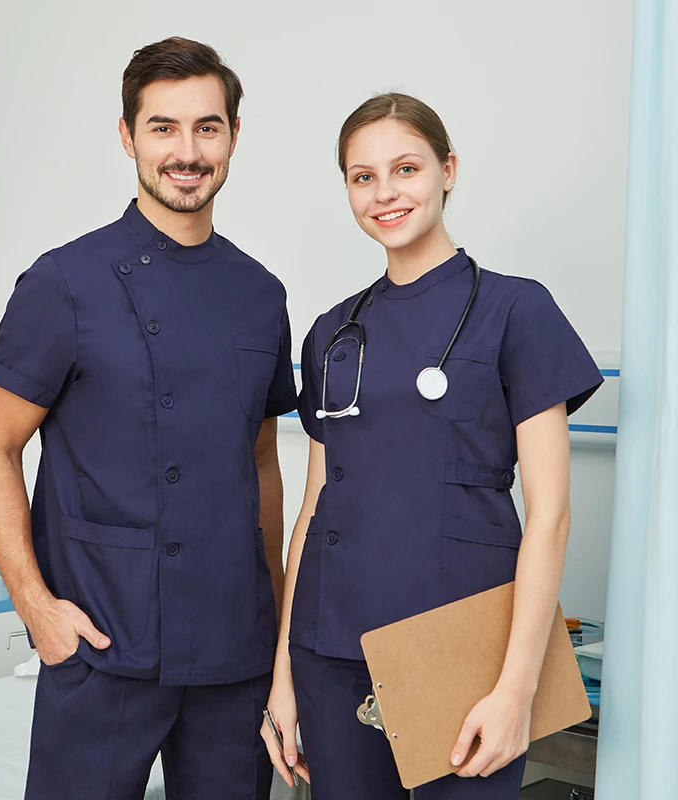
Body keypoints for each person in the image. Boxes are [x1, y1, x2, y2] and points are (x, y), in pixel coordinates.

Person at [0, 37, 297, 800]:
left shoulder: (262, 294)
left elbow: (260, 465)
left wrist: (275, 622)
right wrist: (36, 608)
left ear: (234, 136)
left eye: (207, 127)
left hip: (232, 653)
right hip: (102, 641)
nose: (187, 151)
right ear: (128, 137)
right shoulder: (65, 282)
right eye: (163, 127)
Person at [262, 92, 603, 800]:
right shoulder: (333, 331)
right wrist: (283, 679)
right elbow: (313, 510)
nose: (385, 193)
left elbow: (551, 517)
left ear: (448, 170)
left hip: (462, 652)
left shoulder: (516, 310)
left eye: (406, 168)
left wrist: (517, 688)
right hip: (331, 649)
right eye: (362, 177)